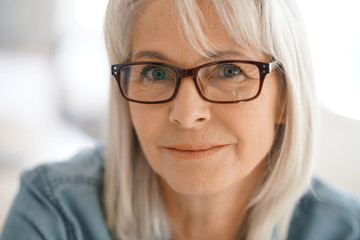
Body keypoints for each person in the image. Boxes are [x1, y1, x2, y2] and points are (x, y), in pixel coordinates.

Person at [1, 0, 360, 239]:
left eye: (229, 70)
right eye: (155, 72)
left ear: (286, 97)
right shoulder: (56, 213)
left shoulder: (347, 228)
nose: (187, 116)